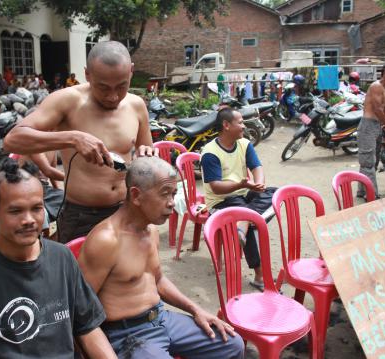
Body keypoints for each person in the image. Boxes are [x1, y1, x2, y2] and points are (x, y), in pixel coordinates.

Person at [0, 159, 116, 359]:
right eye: (15, 211)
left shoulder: (63, 258)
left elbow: (88, 327)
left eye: (36, 208)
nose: (29, 220)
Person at [78, 156, 244, 359]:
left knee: (231, 344)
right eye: (165, 194)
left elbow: (157, 279)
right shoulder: (106, 240)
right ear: (136, 195)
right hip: (128, 334)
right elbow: (80, 311)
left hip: (162, 318)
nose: (172, 203)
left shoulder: (150, 230)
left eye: (174, 194)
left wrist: (196, 310)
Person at [4, 41, 155, 243]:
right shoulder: (67, 101)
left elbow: (148, 156)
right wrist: (72, 138)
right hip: (83, 215)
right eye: (103, 87)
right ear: (87, 74)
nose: (113, 96)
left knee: (128, 274)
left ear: (131, 72)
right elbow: (13, 140)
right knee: (78, 274)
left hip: (126, 209)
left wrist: (148, 156)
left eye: (122, 86)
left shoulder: (136, 105)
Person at [200, 108, 277, 290]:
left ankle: (243, 223)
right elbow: (216, 187)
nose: (244, 126)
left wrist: (258, 184)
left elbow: (256, 166)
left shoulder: (244, 143)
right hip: (220, 202)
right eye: (240, 122)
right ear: (226, 125)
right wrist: (242, 185)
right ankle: (260, 275)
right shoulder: (210, 152)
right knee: (244, 213)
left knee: (275, 194)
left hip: (243, 193)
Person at [358, 62, 385, 199]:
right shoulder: (376, 87)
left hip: (377, 126)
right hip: (368, 126)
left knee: (372, 162)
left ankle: (362, 191)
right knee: (368, 162)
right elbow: (377, 109)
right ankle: (372, 195)